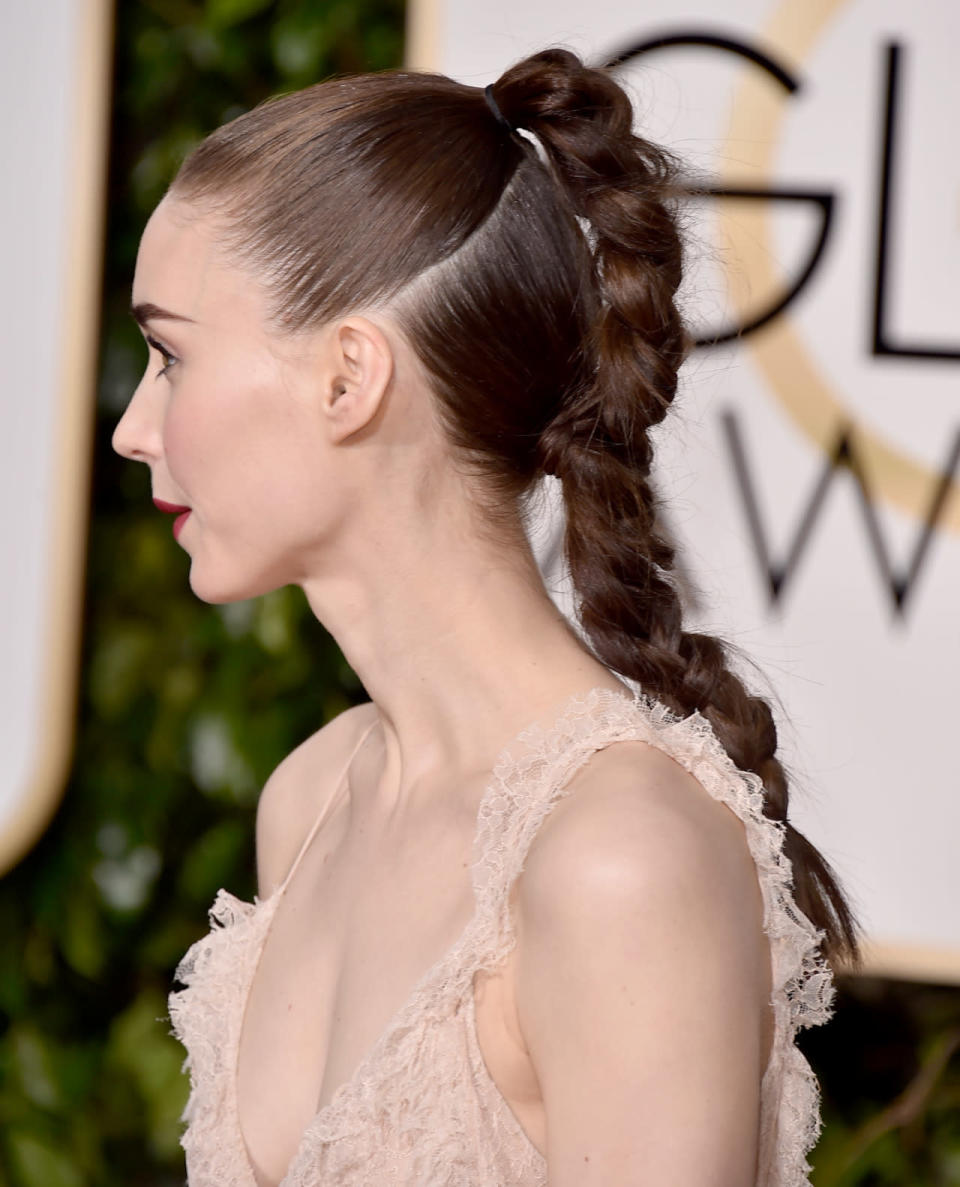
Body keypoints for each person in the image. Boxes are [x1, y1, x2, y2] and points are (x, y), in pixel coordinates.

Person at [111, 46, 858, 1187]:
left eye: (170, 354)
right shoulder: (312, 797)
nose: (133, 427)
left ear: (348, 377)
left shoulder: (619, 858)